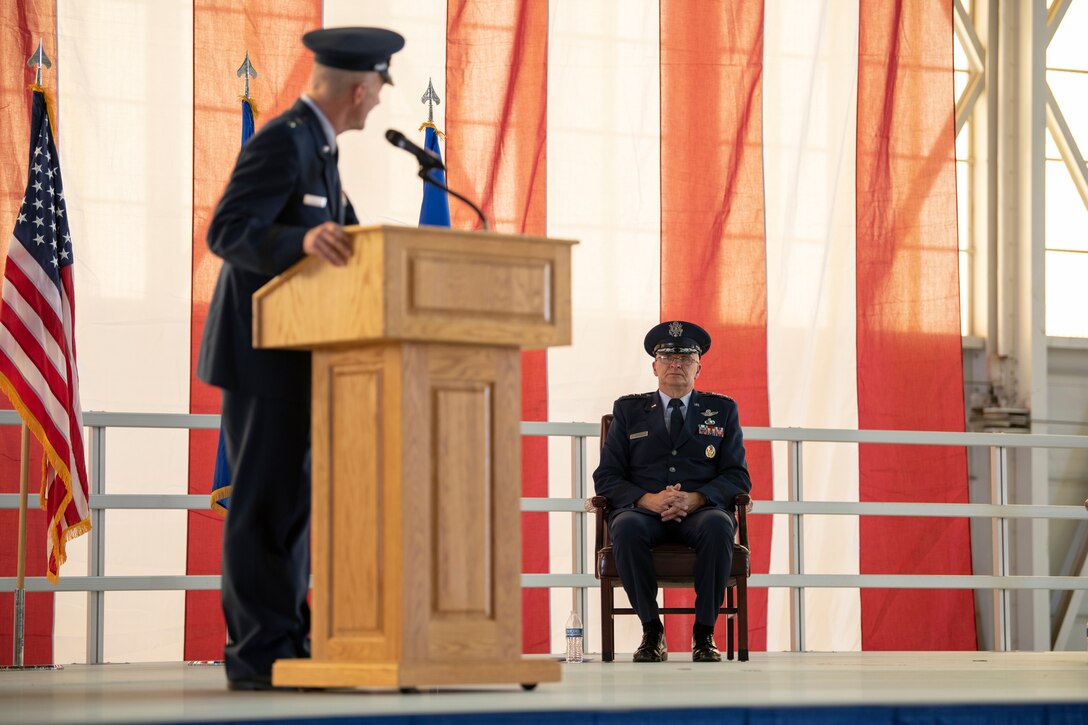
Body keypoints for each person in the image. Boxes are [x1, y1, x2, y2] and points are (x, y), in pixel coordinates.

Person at [197, 26, 405, 690]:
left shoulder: (320, 148)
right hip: (263, 355)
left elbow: (350, 237)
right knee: (263, 507)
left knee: (287, 508)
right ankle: (258, 653)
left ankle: (286, 639)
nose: (380, 101)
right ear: (360, 88)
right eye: (379, 89)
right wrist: (301, 240)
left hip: (301, 355)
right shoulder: (283, 141)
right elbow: (228, 231)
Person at [592, 320, 752, 663]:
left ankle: (704, 634)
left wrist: (696, 498)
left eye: (685, 358)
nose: (675, 364)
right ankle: (652, 632)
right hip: (643, 512)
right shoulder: (629, 410)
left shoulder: (722, 410)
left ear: (698, 367)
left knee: (718, 525)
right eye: (667, 357)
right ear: (655, 366)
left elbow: (737, 476)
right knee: (625, 527)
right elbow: (607, 476)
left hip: (700, 512)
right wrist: (647, 499)